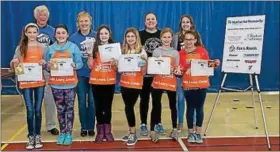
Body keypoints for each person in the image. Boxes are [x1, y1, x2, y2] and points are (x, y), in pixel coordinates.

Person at [179, 30, 220, 144]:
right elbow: (180, 69)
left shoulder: (202, 51)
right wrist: (177, 70)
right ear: (184, 40)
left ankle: (198, 133)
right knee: (190, 109)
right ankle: (191, 133)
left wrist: (215, 63)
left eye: (191, 39)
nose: (188, 42)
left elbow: (208, 64)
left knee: (199, 108)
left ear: (195, 40)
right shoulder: (181, 53)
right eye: (186, 39)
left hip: (201, 84)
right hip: (188, 85)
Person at [45, 24, 83, 145]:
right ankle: (62, 132)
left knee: (70, 109)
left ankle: (69, 133)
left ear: (67, 34)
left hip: (70, 84)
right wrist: (48, 66)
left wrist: (75, 65)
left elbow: (80, 63)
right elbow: (46, 66)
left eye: (63, 33)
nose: (61, 35)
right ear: (55, 35)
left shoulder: (73, 47)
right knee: (60, 110)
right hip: (56, 84)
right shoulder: (50, 49)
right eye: (58, 33)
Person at [10, 23, 46, 149]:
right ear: (25, 33)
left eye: (34, 32)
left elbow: (47, 64)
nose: (32, 34)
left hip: (39, 82)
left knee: (37, 110)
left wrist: (44, 63)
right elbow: (14, 63)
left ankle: (38, 136)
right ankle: (31, 136)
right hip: (25, 82)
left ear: (37, 33)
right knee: (30, 110)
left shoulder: (42, 47)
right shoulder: (20, 48)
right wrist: (14, 62)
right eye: (29, 32)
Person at [88, 25, 117, 143]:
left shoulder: (114, 48)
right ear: (98, 35)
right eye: (101, 34)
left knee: (107, 107)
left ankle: (108, 131)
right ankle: (100, 131)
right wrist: (90, 53)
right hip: (96, 81)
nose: (103, 36)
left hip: (109, 81)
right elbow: (90, 65)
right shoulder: (94, 48)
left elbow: (117, 68)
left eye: (106, 33)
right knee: (99, 107)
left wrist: (115, 62)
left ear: (109, 35)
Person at [149, 28, 179, 142]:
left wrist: (176, 71)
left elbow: (176, 68)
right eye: (164, 37)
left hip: (170, 81)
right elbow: (153, 66)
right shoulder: (156, 51)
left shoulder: (175, 53)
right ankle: (152, 130)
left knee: (173, 106)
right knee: (156, 106)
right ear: (161, 38)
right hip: (158, 82)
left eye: (169, 37)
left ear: (172, 38)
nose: (166, 39)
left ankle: (174, 129)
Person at [69, 11, 96, 137]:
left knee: (92, 101)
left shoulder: (97, 36)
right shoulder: (73, 38)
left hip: (95, 75)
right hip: (80, 74)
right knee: (81, 101)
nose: (84, 23)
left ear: (90, 22)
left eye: (86, 21)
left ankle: (91, 127)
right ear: (77, 23)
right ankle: (83, 127)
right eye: (81, 21)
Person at [119, 28, 147, 146]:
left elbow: (144, 71)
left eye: (132, 36)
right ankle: (131, 131)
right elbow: (119, 70)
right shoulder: (122, 51)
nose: (130, 38)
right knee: (127, 107)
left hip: (135, 83)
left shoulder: (141, 51)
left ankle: (133, 133)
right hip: (124, 83)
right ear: (125, 38)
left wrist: (142, 63)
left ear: (136, 38)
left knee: (129, 107)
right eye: (128, 36)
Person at [33, 5, 59, 135]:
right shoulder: (30, 30)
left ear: (47, 17)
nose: (42, 17)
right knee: (33, 99)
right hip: (33, 70)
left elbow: (57, 48)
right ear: (36, 16)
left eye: (45, 15)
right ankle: (33, 125)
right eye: (40, 15)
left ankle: (51, 125)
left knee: (49, 98)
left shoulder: (53, 31)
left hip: (48, 69)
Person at [139, 12, 165, 136]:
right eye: (148, 19)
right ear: (145, 22)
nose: (150, 21)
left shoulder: (162, 34)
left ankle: (157, 123)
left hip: (158, 74)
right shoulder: (139, 34)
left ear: (156, 21)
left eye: (152, 19)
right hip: (144, 74)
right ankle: (143, 124)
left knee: (157, 100)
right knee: (144, 99)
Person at [172, 14, 198, 132]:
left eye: (188, 22)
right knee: (180, 98)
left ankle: (192, 122)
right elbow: (173, 52)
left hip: (192, 72)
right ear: (180, 24)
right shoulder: (176, 37)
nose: (185, 24)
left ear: (191, 24)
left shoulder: (196, 36)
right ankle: (180, 122)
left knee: (192, 99)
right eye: (183, 22)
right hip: (180, 72)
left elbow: (201, 51)